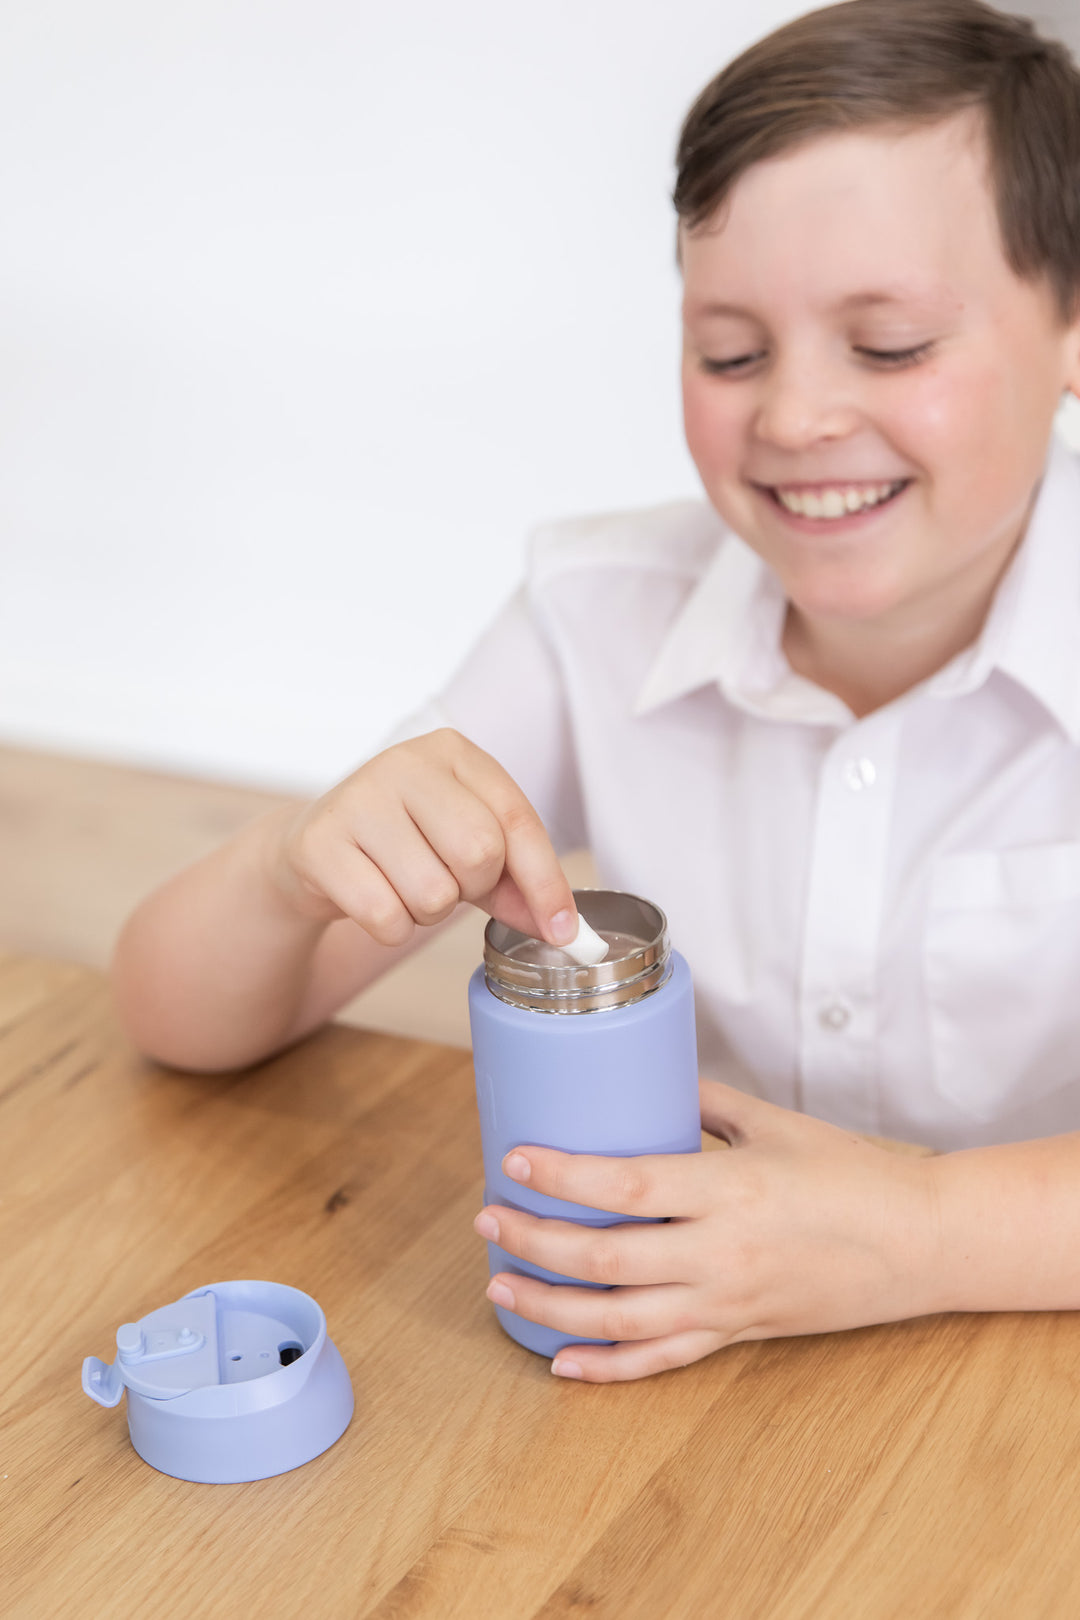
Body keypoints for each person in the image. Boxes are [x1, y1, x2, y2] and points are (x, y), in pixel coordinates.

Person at [113, 0, 1080, 1382]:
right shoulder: (592, 619)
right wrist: (286, 868)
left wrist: (918, 1227)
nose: (796, 418)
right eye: (731, 353)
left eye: (890, 345)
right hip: (681, 1358)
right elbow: (175, 1018)